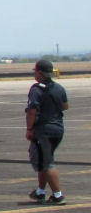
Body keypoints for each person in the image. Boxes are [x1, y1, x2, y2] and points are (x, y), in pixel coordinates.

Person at [26, 59, 69, 205]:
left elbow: (31, 111)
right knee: (44, 160)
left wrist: (29, 129)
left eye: (35, 72)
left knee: (47, 163)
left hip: (43, 131)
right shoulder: (59, 88)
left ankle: (58, 195)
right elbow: (65, 106)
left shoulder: (36, 89)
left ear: (39, 73)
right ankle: (40, 192)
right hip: (58, 129)